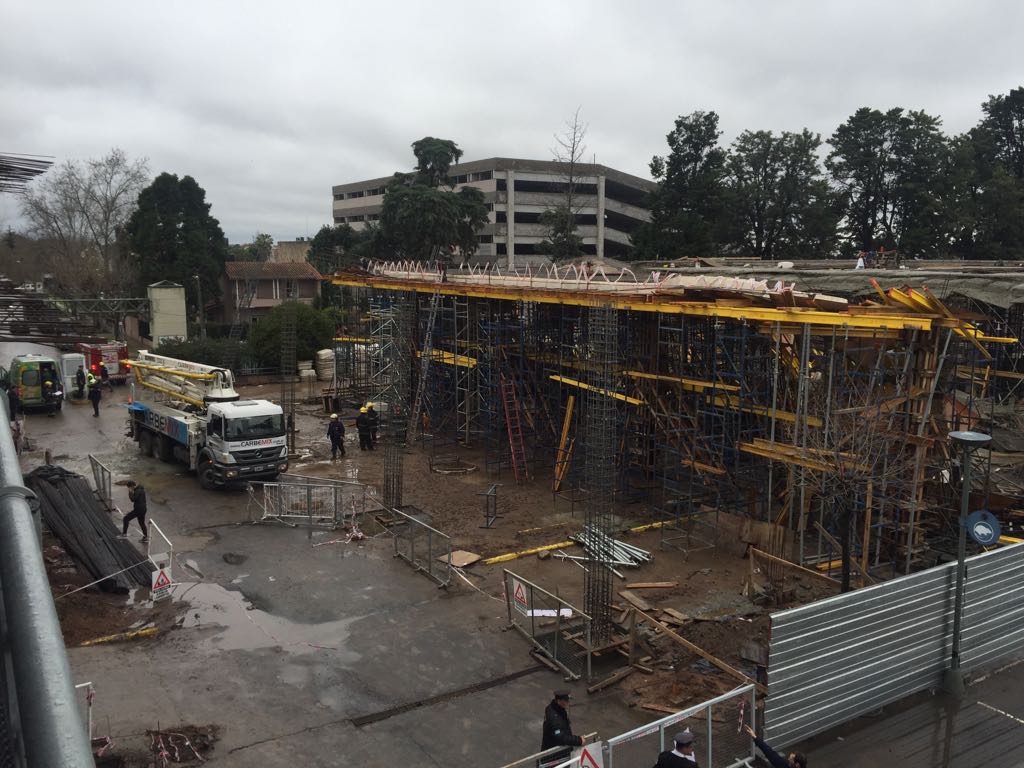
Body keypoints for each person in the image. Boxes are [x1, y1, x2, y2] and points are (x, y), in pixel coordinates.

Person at [541, 690, 584, 762]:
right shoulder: (554, 718)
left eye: (568, 700)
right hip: (554, 756)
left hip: (557, 752)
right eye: (565, 700)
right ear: (558, 701)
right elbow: (561, 737)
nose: (568, 702)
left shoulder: (553, 708)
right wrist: (578, 740)